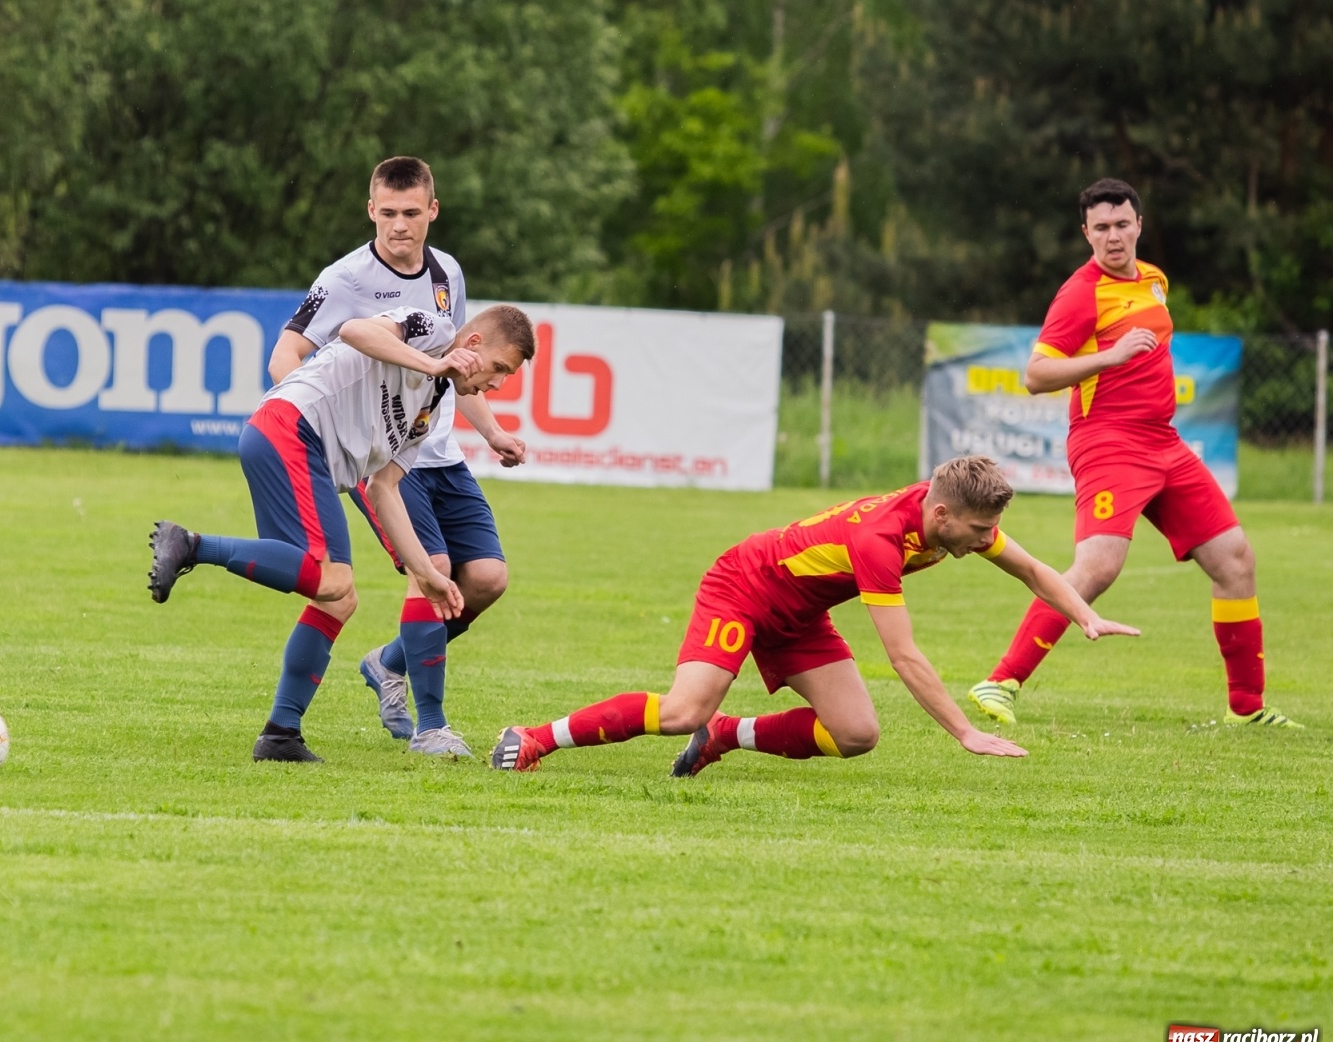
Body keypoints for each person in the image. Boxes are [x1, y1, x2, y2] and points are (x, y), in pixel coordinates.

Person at [490, 456, 1139, 775]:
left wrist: (1083, 613)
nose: (984, 540)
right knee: (684, 708)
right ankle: (534, 739)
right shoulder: (881, 540)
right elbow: (904, 656)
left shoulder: (951, 520)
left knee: (856, 733)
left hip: (800, 612)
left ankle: (726, 737)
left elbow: (1030, 568)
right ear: (941, 516)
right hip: (744, 586)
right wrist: (965, 732)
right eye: (977, 530)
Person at [966, 179, 1302, 729]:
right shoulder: (1081, 293)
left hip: (1163, 442)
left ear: (1139, 225)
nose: (1113, 236)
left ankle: (1247, 708)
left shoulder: (1154, 280)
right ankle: (1001, 680)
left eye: (1122, 224)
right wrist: (1110, 357)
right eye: (1101, 228)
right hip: (1107, 442)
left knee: (1235, 559)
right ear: (1086, 233)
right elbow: (1035, 375)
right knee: (1098, 566)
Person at [149, 303, 536, 763]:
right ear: (472, 345)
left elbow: (383, 490)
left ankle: (280, 735)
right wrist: (434, 361)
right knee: (331, 578)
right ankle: (192, 544)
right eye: (498, 369)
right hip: (292, 430)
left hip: (297, 447)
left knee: (337, 596)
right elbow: (353, 330)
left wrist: (425, 573)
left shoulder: (428, 410)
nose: (496, 384)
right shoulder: (433, 329)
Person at [268, 155, 526, 756]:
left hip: (437, 453)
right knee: (428, 568)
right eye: (387, 213)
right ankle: (433, 728)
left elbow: (457, 365)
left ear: (432, 211)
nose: (399, 226)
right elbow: (286, 355)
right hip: (378, 459)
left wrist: (490, 432)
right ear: (370, 211)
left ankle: (389, 664)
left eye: (411, 213)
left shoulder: (448, 274)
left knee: (487, 579)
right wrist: (308, 430)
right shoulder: (343, 279)